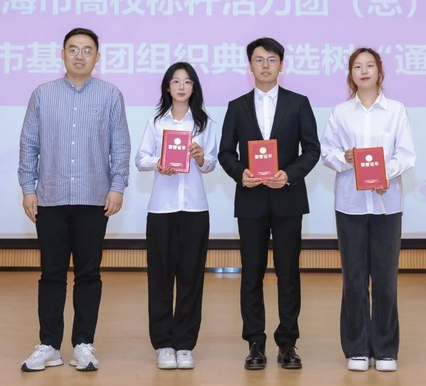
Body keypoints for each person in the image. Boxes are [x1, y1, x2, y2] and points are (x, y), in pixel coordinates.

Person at [18, 28, 131, 372]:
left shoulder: (110, 95)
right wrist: (27, 188)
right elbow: (29, 143)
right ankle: (49, 345)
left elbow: (120, 145)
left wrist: (118, 186)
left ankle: (83, 344)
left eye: (87, 50)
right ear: (62, 54)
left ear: (98, 57)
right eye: (73, 49)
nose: (79, 56)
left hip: (94, 198)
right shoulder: (42, 94)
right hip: (50, 198)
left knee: (88, 274)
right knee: (51, 273)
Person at [218, 37, 320, 370]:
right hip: (251, 200)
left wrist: (289, 175)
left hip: (288, 199)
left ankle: (288, 343)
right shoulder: (237, 106)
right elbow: (225, 152)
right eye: (259, 60)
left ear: (281, 65)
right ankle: (255, 343)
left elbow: (312, 150)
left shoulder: (298, 103)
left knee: (288, 273)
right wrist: (241, 173)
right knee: (252, 274)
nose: (265, 65)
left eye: (271, 59)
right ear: (250, 65)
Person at [320, 47, 416, 373]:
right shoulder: (341, 112)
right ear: (350, 74)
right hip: (350, 206)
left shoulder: (396, 110)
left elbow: (407, 154)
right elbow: (327, 152)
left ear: (379, 71)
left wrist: (385, 173)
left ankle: (386, 348)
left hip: (387, 206)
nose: (364, 71)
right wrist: (344, 158)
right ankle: (358, 348)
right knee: (354, 279)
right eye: (357, 66)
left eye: (369, 65)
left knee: (386, 279)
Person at [135, 62, 217, 370]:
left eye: (187, 82)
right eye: (175, 81)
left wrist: (201, 157)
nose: (181, 87)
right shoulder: (156, 122)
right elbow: (140, 159)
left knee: (191, 278)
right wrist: (159, 162)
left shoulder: (204, 124)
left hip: (195, 209)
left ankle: (184, 344)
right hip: (161, 209)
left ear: (194, 87)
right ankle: (163, 344)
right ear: (167, 87)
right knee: (160, 278)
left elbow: (211, 164)